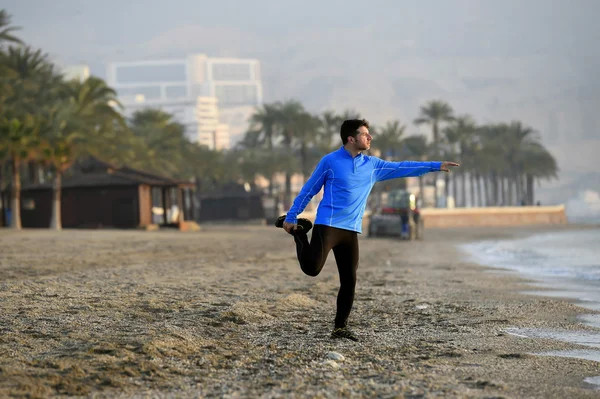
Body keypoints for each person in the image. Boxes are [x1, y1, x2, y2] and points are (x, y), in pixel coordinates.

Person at [275, 119, 459, 341]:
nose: (370, 138)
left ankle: (340, 327)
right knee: (312, 269)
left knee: (349, 280)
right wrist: (293, 216)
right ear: (351, 139)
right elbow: (309, 189)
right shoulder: (330, 161)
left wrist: (434, 165)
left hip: (351, 230)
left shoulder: (372, 165)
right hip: (328, 225)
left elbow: (402, 167)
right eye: (365, 134)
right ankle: (300, 233)